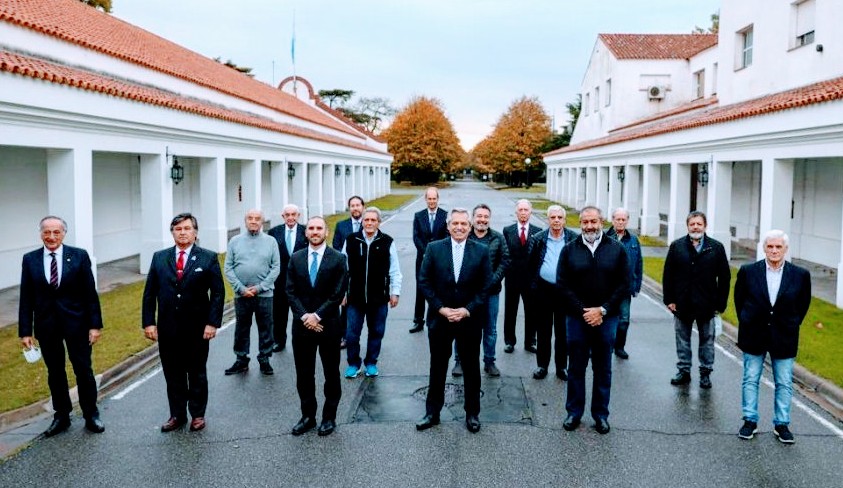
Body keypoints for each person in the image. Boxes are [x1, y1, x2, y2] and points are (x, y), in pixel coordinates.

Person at [18, 216, 104, 436]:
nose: (51, 236)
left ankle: (91, 414)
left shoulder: (79, 256)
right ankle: (62, 416)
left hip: (78, 324)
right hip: (47, 326)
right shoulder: (30, 259)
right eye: (47, 232)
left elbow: (90, 293)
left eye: (56, 232)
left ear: (64, 233)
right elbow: (26, 296)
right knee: (55, 372)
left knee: (83, 370)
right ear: (41, 234)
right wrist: (25, 331)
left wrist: (95, 326)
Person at [142, 213, 225, 432]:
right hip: (168, 329)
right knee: (173, 373)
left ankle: (197, 414)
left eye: (187, 228)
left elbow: (218, 293)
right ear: (172, 233)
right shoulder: (159, 258)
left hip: (197, 328)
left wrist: (212, 323)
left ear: (195, 232)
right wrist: (149, 323)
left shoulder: (208, 257)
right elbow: (149, 293)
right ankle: (177, 415)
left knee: (196, 372)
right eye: (178, 229)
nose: (182, 233)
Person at [416, 208, 492, 434]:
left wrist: (467, 310)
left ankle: (472, 413)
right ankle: (432, 413)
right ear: (448, 226)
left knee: (471, 367)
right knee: (437, 366)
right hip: (441, 319)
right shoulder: (434, 248)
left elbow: (485, 287)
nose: (459, 227)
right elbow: (424, 281)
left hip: (469, 320)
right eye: (455, 224)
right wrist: (441, 308)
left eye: (463, 224)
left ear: (470, 227)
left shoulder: (481, 251)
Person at [557, 206, 629, 435]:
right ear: (580, 223)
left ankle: (600, 415)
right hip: (577, 319)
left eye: (593, 221)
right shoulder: (569, 249)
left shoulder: (617, 249)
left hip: (606, 319)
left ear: (601, 222)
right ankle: (574, 413)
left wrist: (603, 310)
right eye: (585, 222)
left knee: (603, 369)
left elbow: (624, 284)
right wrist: (584, 312)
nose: (589, 226)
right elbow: (562, 285)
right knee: (576, 368)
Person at [735, 230, 811, 444]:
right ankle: (749, 421)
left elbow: (803, 304)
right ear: (764, 248)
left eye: (779, 247)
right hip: (754, 333)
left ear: (785, 249)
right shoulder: (748, 271)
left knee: (784, 382)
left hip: (784, 334)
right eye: (770, 246)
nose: (774, 250)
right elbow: (740, 300)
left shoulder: (800, 275)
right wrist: (747, 321)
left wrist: (791, 323)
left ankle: (782, 424)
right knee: (751, 379)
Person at [286, 216, 349, 437]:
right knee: (304, 374)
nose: (315, 232)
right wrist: (305, 316)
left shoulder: (338, 259)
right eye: (311, 228)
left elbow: (338, 293)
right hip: (302, 326)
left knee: (331, 373)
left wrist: (317, 316)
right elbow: (290, 291)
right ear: (306, 232)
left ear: (326, 232)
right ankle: (308, 416)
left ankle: (329, 417)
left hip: (328, 326)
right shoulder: (296, 258)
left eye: (319, 228)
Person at [663, 211, 731, 389]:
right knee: (682, 339)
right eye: (692, 224)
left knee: (707, 340)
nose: (695, 227)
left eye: (699, 224)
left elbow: (725, 278)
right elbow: (668, 274)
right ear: (687, 226)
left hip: (707, 304)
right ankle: (684, 370)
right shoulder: (677, 246)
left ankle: (705, 373)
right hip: (682, 303)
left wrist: (720, 303)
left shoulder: (716, 247)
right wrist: (669, 299)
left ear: (705, 226)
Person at [343, 207, 402, 379]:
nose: (369, 223)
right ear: (362, 221)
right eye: (366, 220)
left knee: (376, 332)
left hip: (379, 298)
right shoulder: (351, 240)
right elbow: (342, 268)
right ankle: (353, 364)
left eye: (373, 220)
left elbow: (395, 270)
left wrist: (395, 292)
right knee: (351, 334)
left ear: (379, 222)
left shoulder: (387, 241)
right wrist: (342, 292)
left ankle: (371, 363)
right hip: (355, 298)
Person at [452, 204, 510, 378]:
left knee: (490, 328)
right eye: (479, 216)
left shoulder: (498, 238)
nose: (482, 220)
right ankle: (459, 361)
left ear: (489, 219)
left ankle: (489, 361)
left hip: (491, 293)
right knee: (462, 326)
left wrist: (492, 281)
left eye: (486, 217)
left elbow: (505, 260)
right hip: (467, 293)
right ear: (473, 218)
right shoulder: (465, 236)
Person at [223, 209, 281, 376]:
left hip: (265, 294)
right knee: (241, 328)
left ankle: (265, 359)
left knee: (266, 327)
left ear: (262, 221)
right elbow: (228, 268)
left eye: (257, 218)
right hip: (242, 294)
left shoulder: (271, 241)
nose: (253, 221)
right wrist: (241, 289)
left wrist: (260, 287)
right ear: (245, 221)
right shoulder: (235, 241)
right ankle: (241, 360)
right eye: (250, 218)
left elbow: (276, 268)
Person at [526, 205, 576, 380]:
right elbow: (530, 265)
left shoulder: (573, 238)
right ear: (548, 220)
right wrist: (533, 289)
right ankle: (542, 366)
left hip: (564, 292)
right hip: (543, 291)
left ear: (564, 220)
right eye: (553, 217)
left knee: (562, 332)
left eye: (559, 217)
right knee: (543, 331)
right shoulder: (538, 238)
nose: (556, 220)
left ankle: (562, 367)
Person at [502, 199, 542, 353]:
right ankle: (509, 341)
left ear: (531, 212)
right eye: (521, 210)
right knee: (510, 310)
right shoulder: (508, 230)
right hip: (512, 278)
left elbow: (539, 256)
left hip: (531, 279)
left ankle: (530, 341)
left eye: (526, 210)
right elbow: (505, 254)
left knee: (531, 311)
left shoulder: (538, 231)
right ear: (516, 212)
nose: (523, 213)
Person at [267, 204, 308, 352]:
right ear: (283, 216)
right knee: (279, 313)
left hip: (302, 281)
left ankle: (303, 339)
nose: (290, 217)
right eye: (287, 215)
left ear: (298, 216)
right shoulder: (273, 232)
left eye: (293, 214)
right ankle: (279, 340)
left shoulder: (306, 231)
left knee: (301, 311)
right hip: (280, 281)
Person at [605, 207, 643, 359]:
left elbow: (639, 263)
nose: (620, 222)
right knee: (604, 318)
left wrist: (637, 285)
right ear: (613, 220)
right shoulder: (604, 238)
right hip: (606, 288)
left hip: (625, 288)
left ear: (627, 221)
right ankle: (602, 346)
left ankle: (619, 347)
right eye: (618, 219)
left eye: (623, 219)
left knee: (624, 320)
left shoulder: (633, 240)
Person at [410, 187, 448, 333]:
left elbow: (446, 236)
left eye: (434, 199)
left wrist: (436, 253)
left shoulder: (445, 215)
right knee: (421, 289)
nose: (432, 201)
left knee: (438, 289)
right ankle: (418, 320)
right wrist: (426, 252)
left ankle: (437, 319)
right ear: (425, 199)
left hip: (439, 259)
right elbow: (416, 237)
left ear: (438, 199)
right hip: (422, 258)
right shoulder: (418, 216)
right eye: (429, 199)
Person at [331, 196, 365, 350]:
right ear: (349, 208)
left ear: (363, 207)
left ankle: (364, 334)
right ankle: (344, 336)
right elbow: (336, 246)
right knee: (345, 305)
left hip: (364, 271)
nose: (355, 208)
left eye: (358, 205)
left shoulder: (368, 223)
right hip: (346, 270)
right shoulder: (341, 225)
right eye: (352, 205)